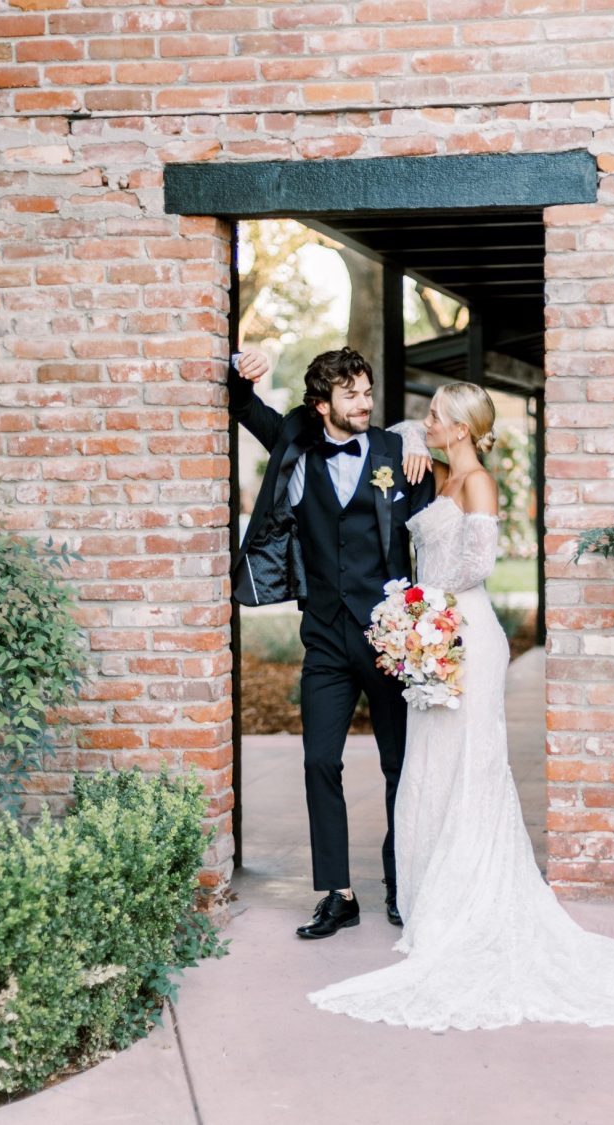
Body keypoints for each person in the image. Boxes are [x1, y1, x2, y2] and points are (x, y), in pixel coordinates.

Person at [308, 382, 614, 1030]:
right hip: (430, 628)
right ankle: (430, 904)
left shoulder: (479, 482)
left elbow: (480, 562)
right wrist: (409, 444)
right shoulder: (434, 470)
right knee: (428, 767)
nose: (423, 421)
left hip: (464, 632)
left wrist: (418, 603)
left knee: (467, 767)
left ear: (460, 428)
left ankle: (471, 903)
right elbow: (395, 426)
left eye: (436, 416)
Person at [228, 346, 434, 939]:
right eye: (352, 395)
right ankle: (338, 893)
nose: (365, 402)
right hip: (323, 638)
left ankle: (402, 884)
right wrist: (244, 370)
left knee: (400, 765)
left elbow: (436, 524)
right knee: (320, 759)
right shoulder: (296, 444)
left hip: (392, 640)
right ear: (323, 406)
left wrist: (418, 434)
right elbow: (247, 407)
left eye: (368, 392)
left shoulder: (399, 453)